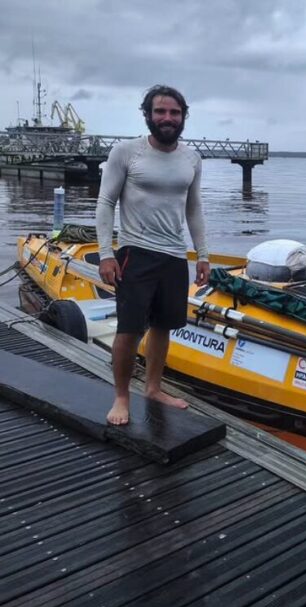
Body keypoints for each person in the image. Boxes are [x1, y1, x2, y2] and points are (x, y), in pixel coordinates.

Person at [96, 84, 210, 425]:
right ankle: (120, 396)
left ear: (183, 117)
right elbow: (106, 202)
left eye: (174, 112)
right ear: (148, 115)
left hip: (174, 256)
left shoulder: (192, 158)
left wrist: (202, 254)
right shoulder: (126, 152)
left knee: (163, 326)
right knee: (129, 329)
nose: (167, 118)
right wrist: (105, 253)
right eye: (160, 111)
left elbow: (194, 208)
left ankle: (153, 388)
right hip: (136, 252)